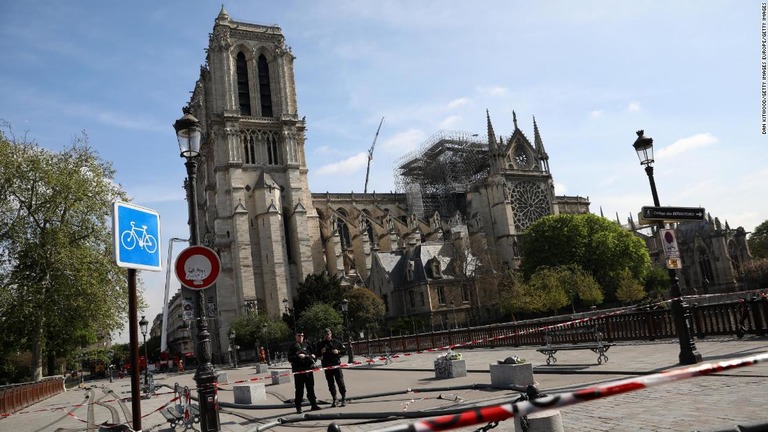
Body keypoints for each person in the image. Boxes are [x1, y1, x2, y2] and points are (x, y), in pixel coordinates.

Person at [287, 330, 321, 413]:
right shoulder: (293, 346)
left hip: (308, 370)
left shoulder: (307, 345)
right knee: (299, 390)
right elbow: (290, 359)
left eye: (302, 335)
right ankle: (298, 408)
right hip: (298, 371)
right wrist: (298, 356)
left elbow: (313, 355)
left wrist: (314, 357)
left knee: (310, 388)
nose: (301, 337)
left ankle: (314, 405)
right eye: (299, 335)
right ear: (295, 336)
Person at [315, 328, 347, 407]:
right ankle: (335, 398)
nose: (327, 336)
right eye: (326, 334)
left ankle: (343, 398)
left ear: (331, 334)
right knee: (331, 384)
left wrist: (338, 352)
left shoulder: (336, 342)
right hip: (327, 366)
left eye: (328, 334)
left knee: (340, 383)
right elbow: (316, 354)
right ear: (324, 335)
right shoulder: (321, 344)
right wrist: (320, 352)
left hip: (336, 365)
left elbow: (344, 350)